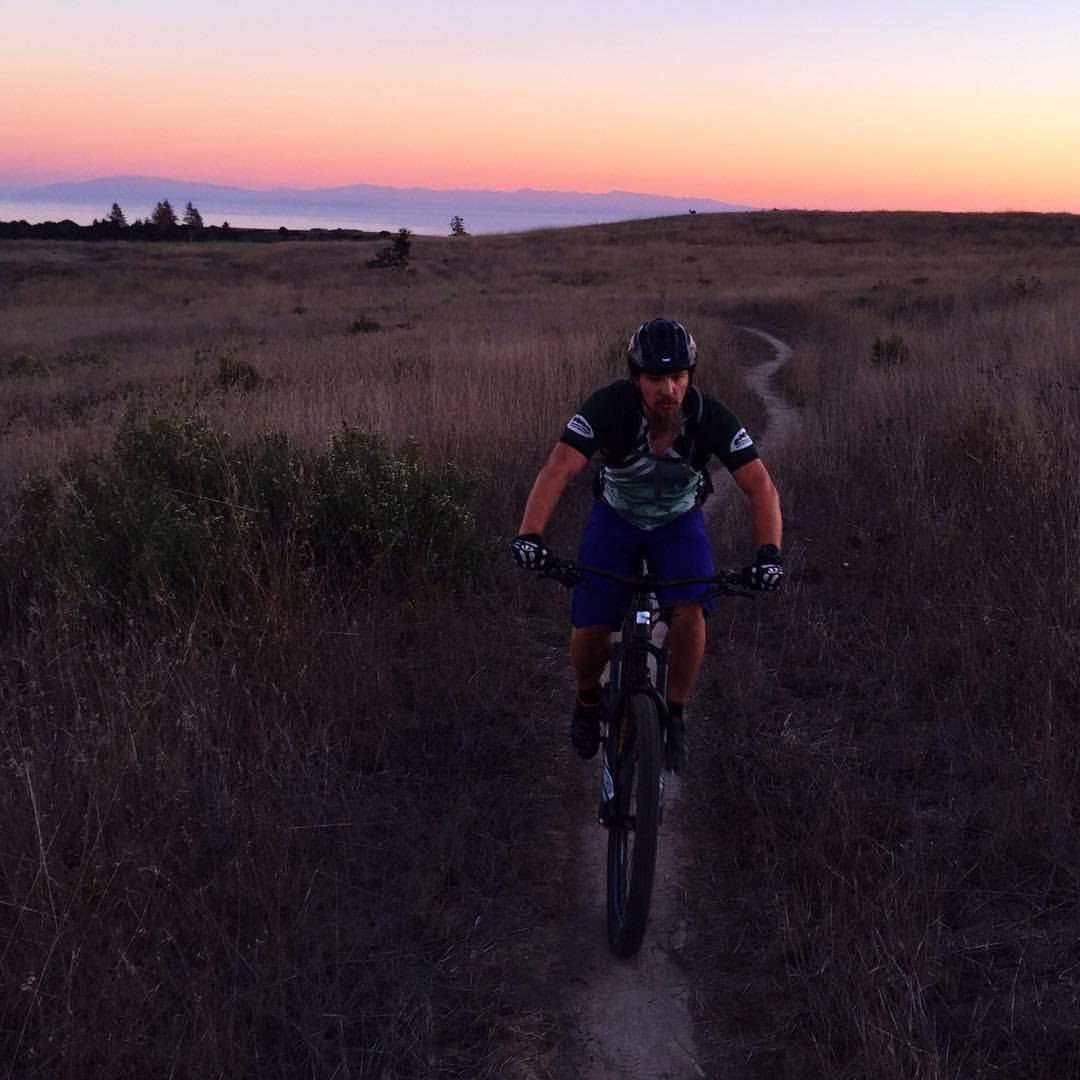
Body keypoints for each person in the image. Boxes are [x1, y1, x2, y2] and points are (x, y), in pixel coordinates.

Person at [511, 317, 783, 772]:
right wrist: (529, 536)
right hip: (616, 518)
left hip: (678, 523)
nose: (668, 389)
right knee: (592, 625)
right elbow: (558, 467)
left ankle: (674, 715)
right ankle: (587, 700)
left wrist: (768, 556)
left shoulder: (709, 415)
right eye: (655, 378)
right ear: (635, 378)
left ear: (690, 376)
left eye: (678, 377)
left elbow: (760, 486)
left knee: (692, 612)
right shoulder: (608, 406)